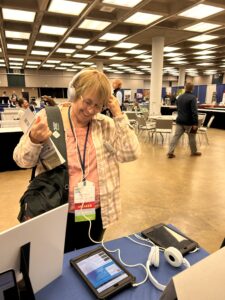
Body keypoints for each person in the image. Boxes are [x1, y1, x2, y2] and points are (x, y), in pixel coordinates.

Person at [13, 68, 141, 253]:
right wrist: (33, 139)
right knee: (55, 262)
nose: (91, 110)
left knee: (88, 260)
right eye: (87, 102)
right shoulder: (49, 117)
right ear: (74, 94)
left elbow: (131, 153)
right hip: (54, 208)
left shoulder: (105, 124)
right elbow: (21, 160)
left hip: (94, 212)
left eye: (98, 106)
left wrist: (118, 114)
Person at [167, 82, 201, 158]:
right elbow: (194, 111)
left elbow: (178, 108)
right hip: (189, 122)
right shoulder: (193, 98)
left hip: (179, 121)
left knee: (175, 137)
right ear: (193, 88)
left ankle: (170, 152)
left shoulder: (179, 97)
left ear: (185, 88)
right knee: (192, 137)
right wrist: (195, 123)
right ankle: (194, 152)